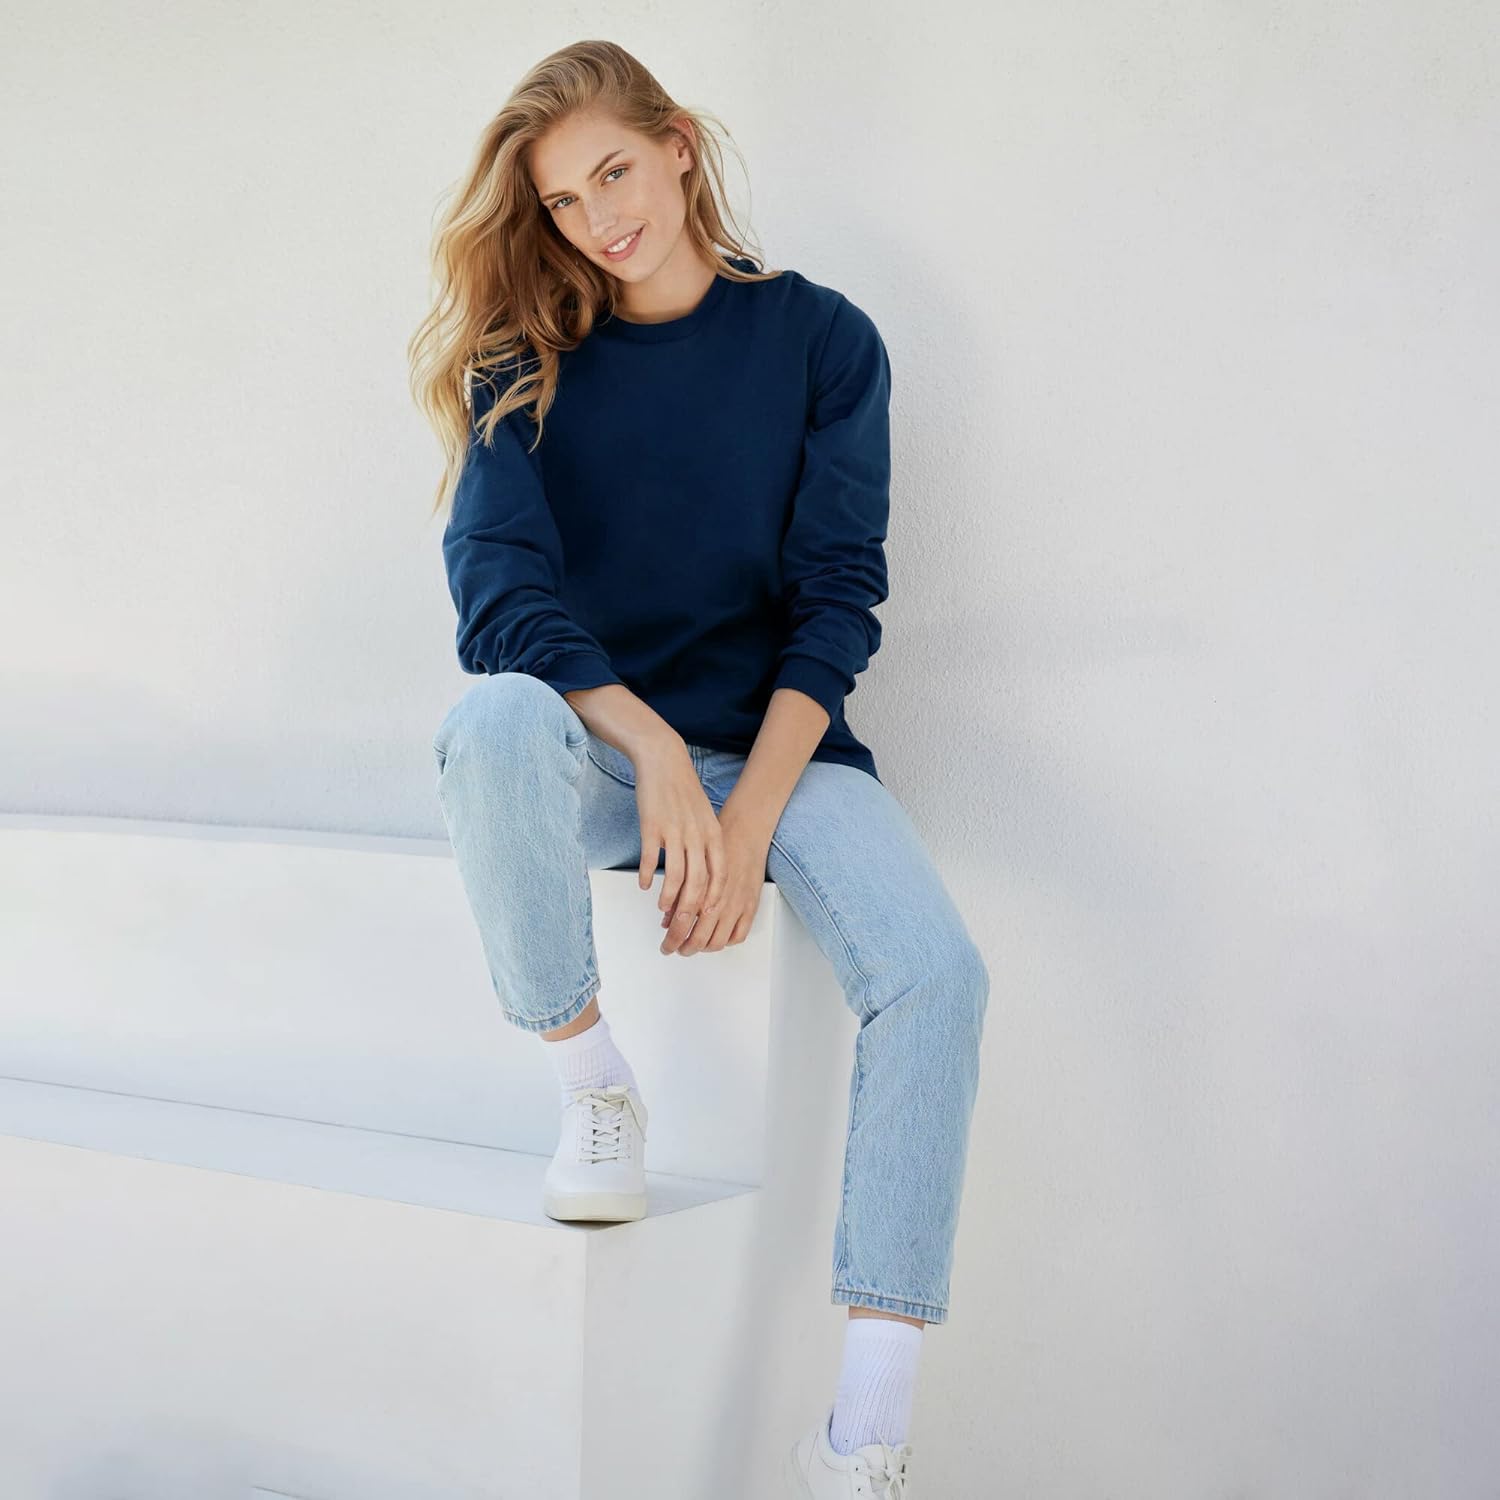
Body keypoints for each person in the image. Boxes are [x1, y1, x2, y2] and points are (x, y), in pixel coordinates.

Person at [410, 38, 989, 1497]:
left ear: (677, 143)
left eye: (614, 171)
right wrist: (660, 749)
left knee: (937, 977)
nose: (599, 218)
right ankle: (593, 1084)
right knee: (490, 723)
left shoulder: (823, 340)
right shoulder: (520, 369)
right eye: (563, 201)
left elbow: (838, 597)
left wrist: (747, 810)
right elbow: (500, 603)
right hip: (611, 758)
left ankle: (864, 1439)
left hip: (784, 752)